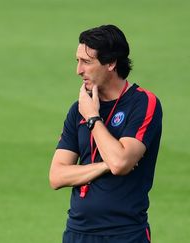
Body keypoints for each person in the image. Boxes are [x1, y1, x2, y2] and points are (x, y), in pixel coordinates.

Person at [49, 25, 162, 243]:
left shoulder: (143, 103)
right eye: (77, 61)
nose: (78, 70)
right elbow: (57, 176)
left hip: (124, 234)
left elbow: (120, 163)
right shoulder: (78, 109)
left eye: (87, 62)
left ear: (111, 63)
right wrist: (103, 165)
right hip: (77, 233)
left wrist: (93, 118)